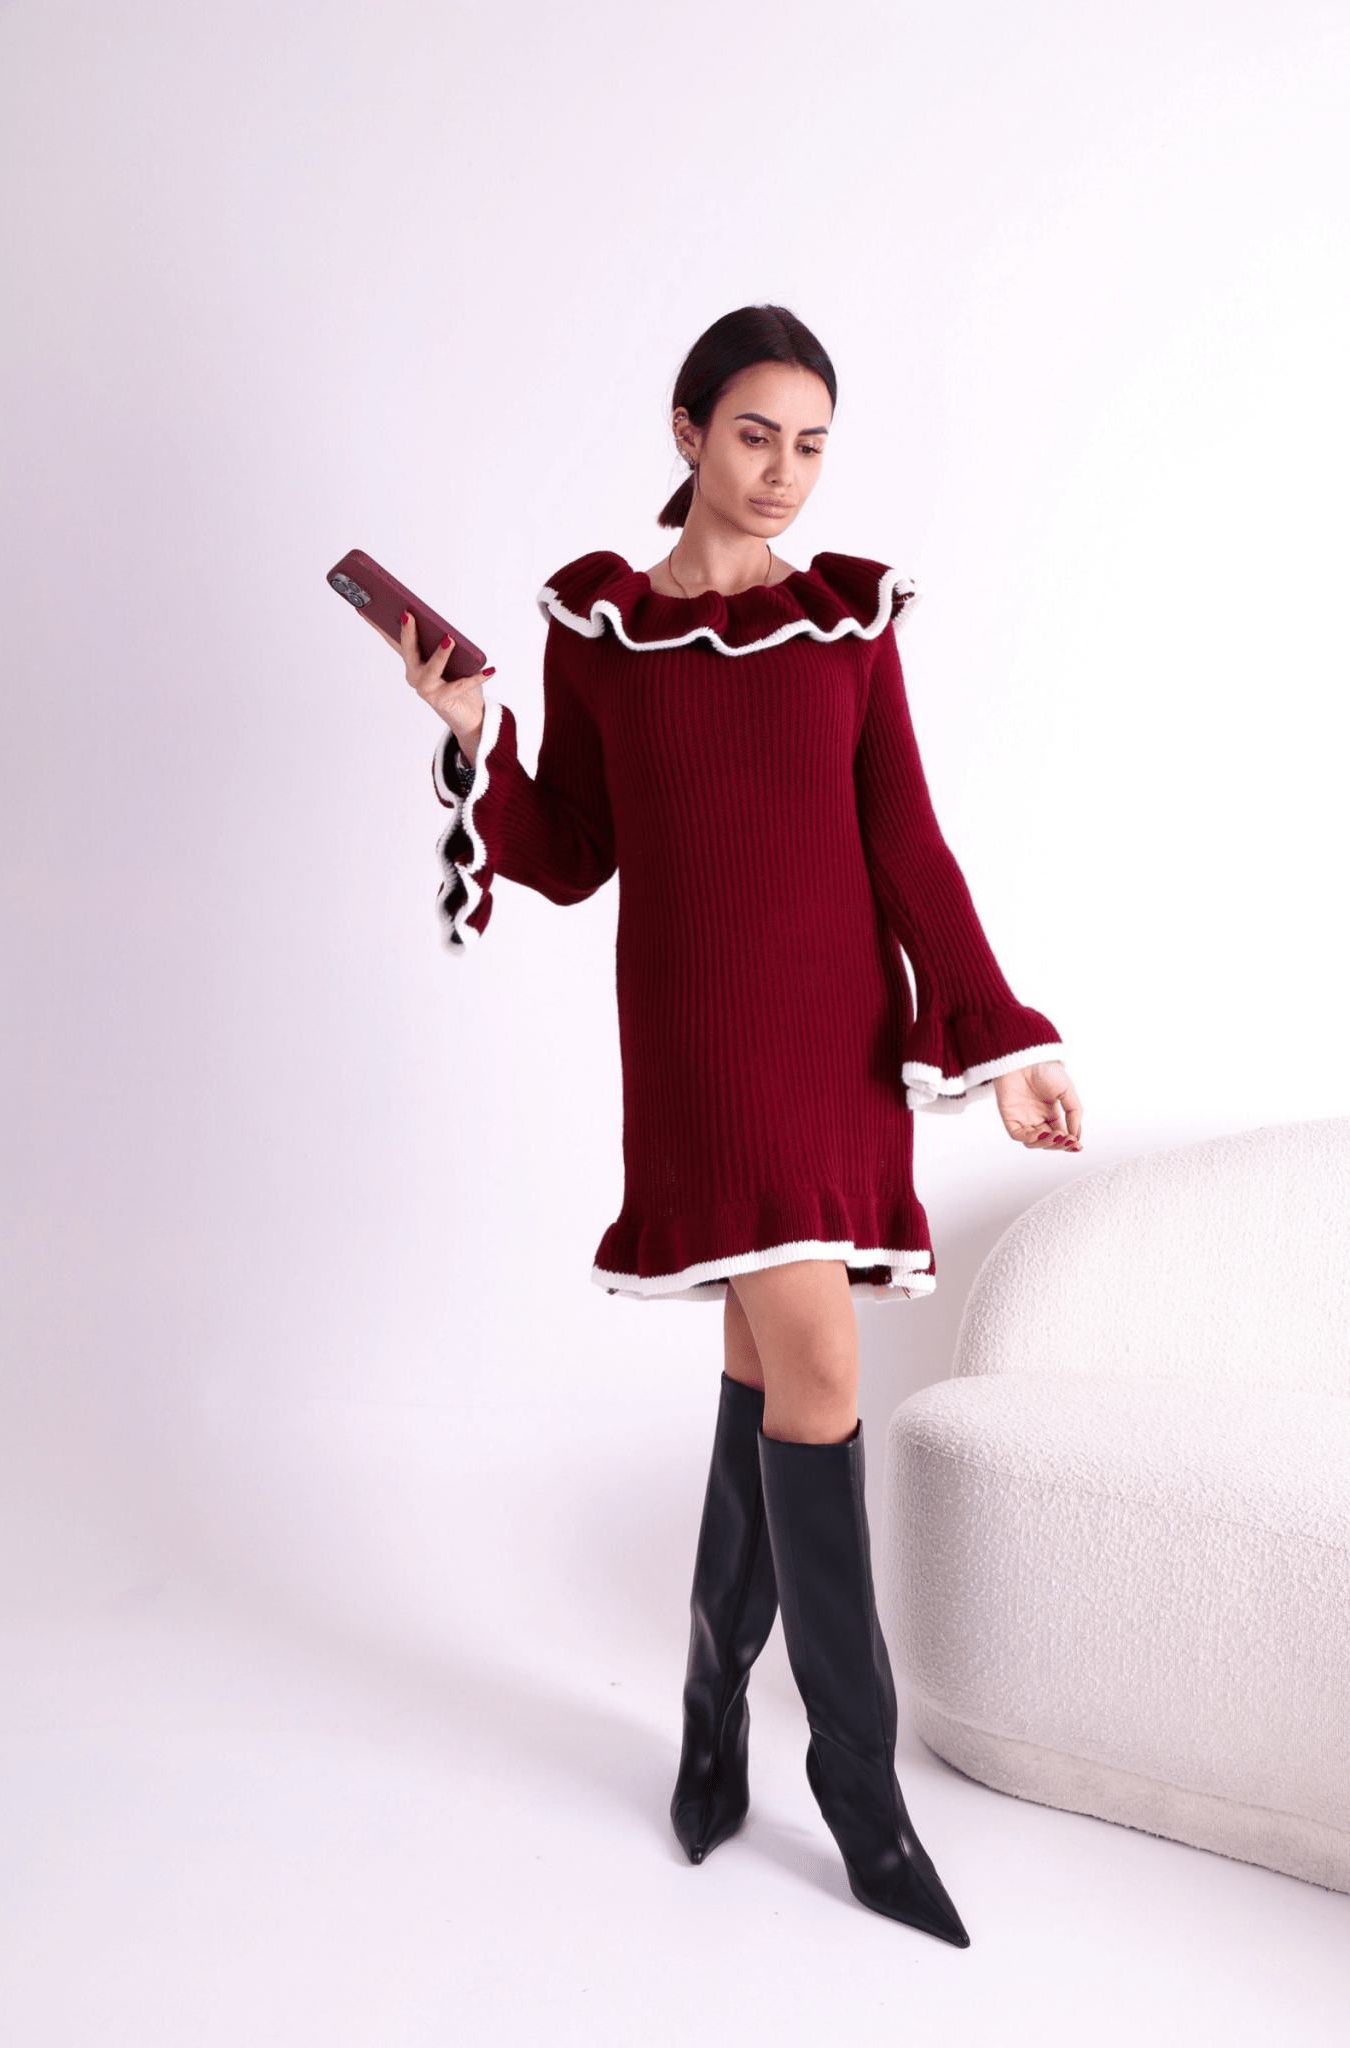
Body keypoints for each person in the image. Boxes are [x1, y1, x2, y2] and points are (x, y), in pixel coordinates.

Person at [375, 305, 1082, 1948]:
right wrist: (476, 731)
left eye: (813, 444)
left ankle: (714, 1722)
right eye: (755, 434)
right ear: (687, 429)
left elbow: (909, 845)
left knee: (773, 1368)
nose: (785, 473)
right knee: (816, 1366)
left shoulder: (846, 626)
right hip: (700, 1050)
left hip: (835, 1046)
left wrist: (1006, 1040)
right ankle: (860, 1796)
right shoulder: (602, 630)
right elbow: (574, 849)